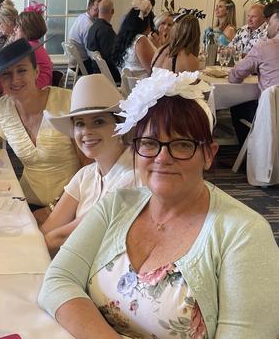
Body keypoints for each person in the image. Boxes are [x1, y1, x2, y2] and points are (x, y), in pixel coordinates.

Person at [38, 68, 279, 338]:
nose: (162, 158)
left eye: (182, 144)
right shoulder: (117, 205)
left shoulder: (244, 234)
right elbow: (57, 281)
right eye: (150, 143)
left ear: (208, 155)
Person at [0, 39, 82, 208]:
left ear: (36, 71)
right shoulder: (2, 109)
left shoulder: (68, 103)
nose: (15, 79)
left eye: (22, 70)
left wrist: (55, 208)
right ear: (0, 80)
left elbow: (90, 167)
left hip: (73, 203)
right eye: (6, 74)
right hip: (25, 201)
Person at [38, 75, 135, 256]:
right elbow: (49, 228)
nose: (86, 132)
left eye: (99, 122)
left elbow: (61, 238)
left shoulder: (133, 177)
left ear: (120, 125)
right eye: (80, 124)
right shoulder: (86, 174)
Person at [228, 1, 279, 145]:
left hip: (272, 117)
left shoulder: (264, 46)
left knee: (238, 105)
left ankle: (250, 152)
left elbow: (234, 76)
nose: (268, 26)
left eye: (270, 21)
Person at [0, 5, 53, 95]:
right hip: (36, 93)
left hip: (32, 96)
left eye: (17, 26)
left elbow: (1, 76)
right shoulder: (35, 45)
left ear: (27, 29)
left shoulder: (26, 48)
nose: (14, 29)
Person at [113, 8, 156, 77]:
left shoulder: (126, 39)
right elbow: (154, 71)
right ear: (147, 23)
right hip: (143, 84)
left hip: (132, 85)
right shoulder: (140, 40)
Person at [86, 0, 120, 82]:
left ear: (98, 11)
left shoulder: (93, 27)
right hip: (108, 75)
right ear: (112, 11)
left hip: (96, 71)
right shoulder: (106, 30)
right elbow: (112, 57)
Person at [67, 0, 101, 71]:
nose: (98, 13)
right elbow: (90, 50)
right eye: (96, 10)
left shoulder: (81, 17)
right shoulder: (88, 25)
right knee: (102, 68)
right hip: (80, 65)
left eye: (100, 10)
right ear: (89, 8)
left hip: (73, 61)